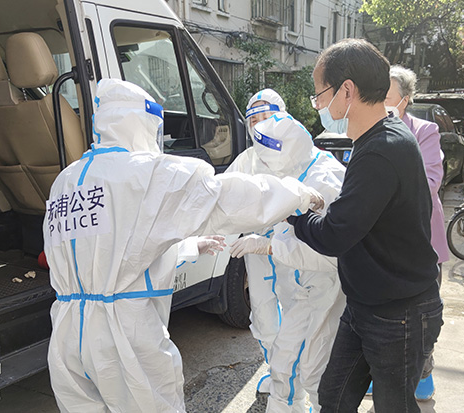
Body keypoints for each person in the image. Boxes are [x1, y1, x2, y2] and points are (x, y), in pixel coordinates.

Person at [43, 78, 324, 413]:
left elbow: (110, 251)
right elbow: (225, 198)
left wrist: (190, 248)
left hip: (66, 331)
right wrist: (298, 194)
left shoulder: (66, 180)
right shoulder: (145, 172)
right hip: (125, 332)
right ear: (142, 123)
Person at [287, 39, 443, 413]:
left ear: (346, 91)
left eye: (319, 95)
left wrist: (293, 211)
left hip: (398, 314)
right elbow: (360, 214)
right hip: (366, 304)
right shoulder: (382, 134)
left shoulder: (380, 150)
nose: (318, 106)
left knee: (393, 407)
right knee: (334, 398)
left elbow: (334, 235)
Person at [228, 113, 346, 412]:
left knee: (317, 372)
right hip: (304, 286)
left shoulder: (326, 180)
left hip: (328, 289)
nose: (264, 167)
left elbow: (332, 254)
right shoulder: (296, 166)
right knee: (285, 362)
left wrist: (269, 246)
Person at [383, 64, 449, 400]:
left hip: (422, 241)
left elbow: (430, 182)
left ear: (405, 99)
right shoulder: (368, 130)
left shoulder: (424, 131)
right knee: (385, 315)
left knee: (422, 316)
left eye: (388, 95)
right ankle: (383, 372)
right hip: (383, 244)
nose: (381, 101)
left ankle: (423, 373)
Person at [225, 88, 287, 394]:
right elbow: (222, 196)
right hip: (256, 250)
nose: (260, 125)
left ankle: (300, 381)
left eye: (266, 117)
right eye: (254, 120)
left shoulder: (297, 155)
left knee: (299, 314)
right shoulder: (245, 161)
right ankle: (277, 373)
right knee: (263, 314)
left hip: (293, 250)